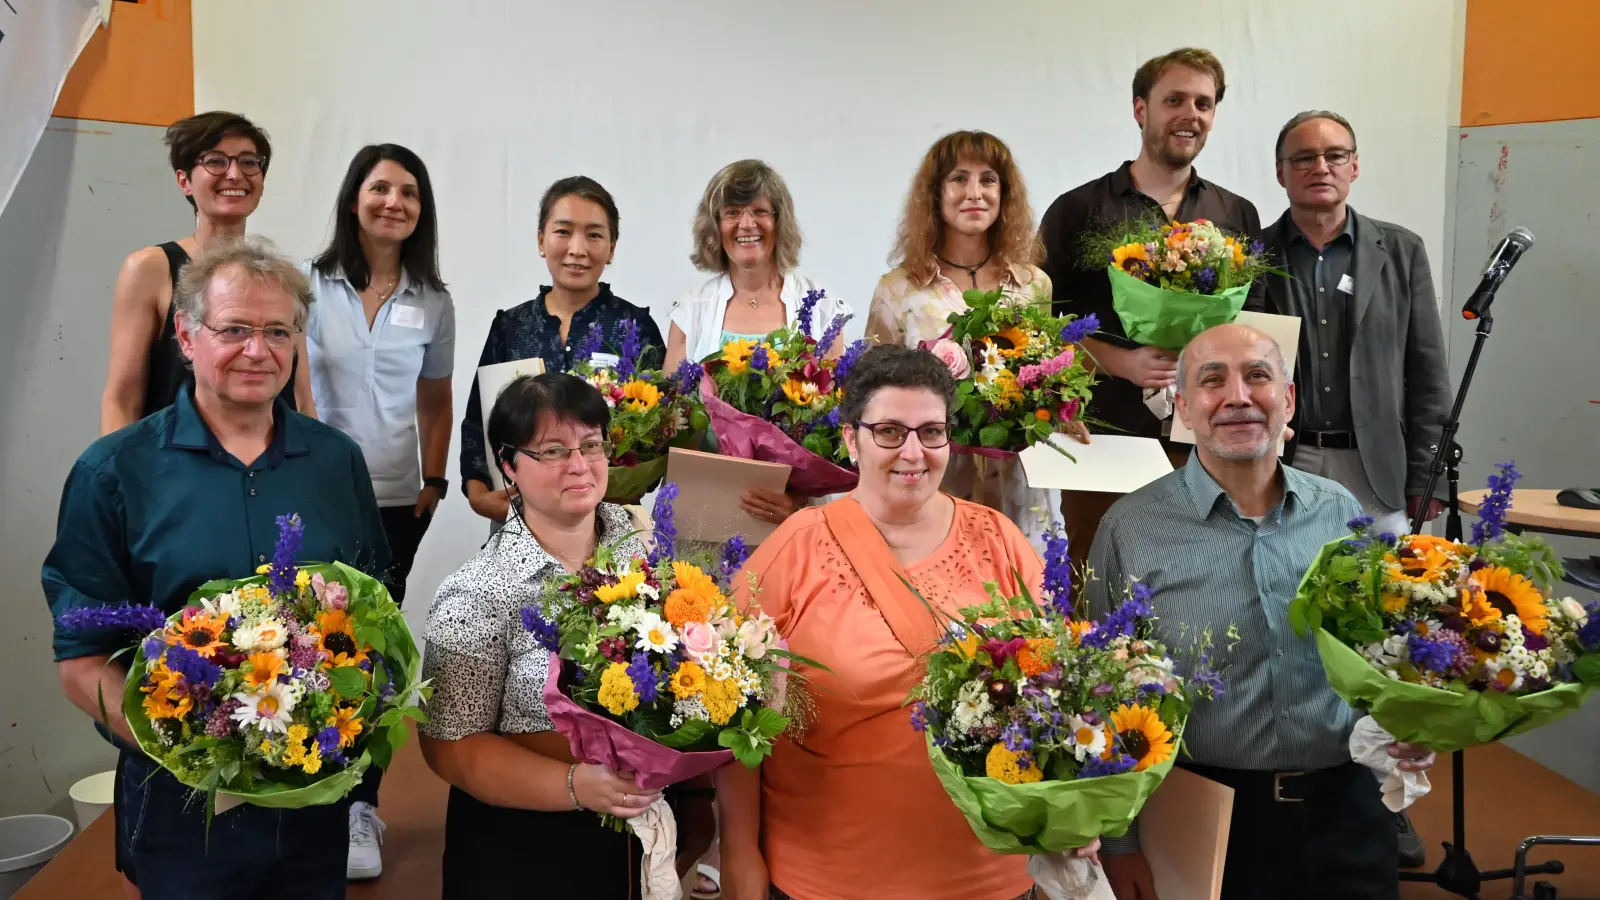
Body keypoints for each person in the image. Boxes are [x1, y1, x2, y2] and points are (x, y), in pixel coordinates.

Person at [43, 236, 391, 900]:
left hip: (312, 802)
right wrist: (195, 755)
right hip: (180, 807)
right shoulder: (114, 474)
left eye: (277, 331)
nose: (257, 351)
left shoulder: (336, 462)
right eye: (234, 329)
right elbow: (81, 662)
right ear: (185, 335)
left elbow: (373, 609)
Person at [715, 345, 1098, 900]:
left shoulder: (999, 541)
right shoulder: (795, 549)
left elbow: (1062, 690)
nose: (913, 452)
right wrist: (738, 859)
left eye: (931, 432)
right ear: (852, 439)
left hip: (994, 877)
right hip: (831, 876)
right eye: (890, 431)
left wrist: (1073, 804)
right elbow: (730, 721)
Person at [1084, 323, 1435, 900]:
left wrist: (1411, 725)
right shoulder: (1132, 528)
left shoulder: (1337, 512)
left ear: (1288, 399)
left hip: (1345, 814)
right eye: (1212, 381)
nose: (1238, 397)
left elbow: (1379, 654)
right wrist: (1119, 845)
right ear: (1184, 407)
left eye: (1258, 377)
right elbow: (1103, 693)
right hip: (1202, 819)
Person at [419, 372, 710, 899]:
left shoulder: (643, 544)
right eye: (552, 451)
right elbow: (450, 748)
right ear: (508, 465)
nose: (579, 465)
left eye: (591, 445)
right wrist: (576, 786)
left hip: (639, 824)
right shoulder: (476, 594)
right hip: (527, 844)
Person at [1250, 112, 1451, 866]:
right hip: (1287, 467)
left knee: (1382, 637)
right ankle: (1303, 783)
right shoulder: (1255, 255)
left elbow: (1426, 371)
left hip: (1376, 472)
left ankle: (1388, 794)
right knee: (1298, 628)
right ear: (1281, 173)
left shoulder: (1400, 250)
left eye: (1335, 155)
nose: (1320, 168)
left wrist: (1425, 482)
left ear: (1356, 167)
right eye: (1303, 158)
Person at [1039, 48, 1261, 571]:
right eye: (1174, 100)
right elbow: (1042, 328)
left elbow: (1255, 332)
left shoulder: (1236, 213)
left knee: (1204, 595)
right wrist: (1119, 362)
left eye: (1204, 103)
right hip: (1103, 439)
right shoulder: (1078, 210)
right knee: (1096, 585)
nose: (1191, 114)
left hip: (1206, 446)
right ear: (1141, 109)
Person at [303, 143, 457, 879]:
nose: (394, 202)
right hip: (318, 497)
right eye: (381, 188)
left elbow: (435, 399)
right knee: (315, 644)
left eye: (409, 193)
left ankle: (361, 802)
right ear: (354, 196)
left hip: (399, 499)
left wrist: (434, 479)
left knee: (377, 652)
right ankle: (305, 788)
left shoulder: (432, 299)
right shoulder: (309, 285)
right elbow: (294, 392)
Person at [866, 129, 1068, 553]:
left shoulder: (1034, 284)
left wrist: (1063, 408)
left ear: (1005, 193)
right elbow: (872, 393)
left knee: (1025, 597)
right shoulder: (899, 289)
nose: (974, 192)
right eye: (959, 178)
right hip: (933, 481)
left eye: (988, 179)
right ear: (935, 194)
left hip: (1021, 484)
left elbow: (1045, 376)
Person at [458, 176, 663, 525]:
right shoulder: (511, 326)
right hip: (517, 517)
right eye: (563, 231)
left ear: (612, 247)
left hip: (608, 519)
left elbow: (660, 432)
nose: (578, 249)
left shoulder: (635, 327)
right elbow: (478, 424)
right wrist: (480, 497)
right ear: (541, 240)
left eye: (594, 234)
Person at [664, 159, 850, 528]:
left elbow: (840, 416)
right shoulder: (690, 311)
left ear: (780, 222)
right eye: (732, 212)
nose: (747, 224)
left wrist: (795, 499)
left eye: (760, 212)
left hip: (796, 513)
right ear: (716, 226)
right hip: (707, 506)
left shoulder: (822, 307)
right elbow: (673, 421)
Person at [101, 111, 312, 435]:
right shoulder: (151, 269)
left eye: (248, 162)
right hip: (174, 472)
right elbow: (122, 398)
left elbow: (300, 397)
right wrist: (119, 480)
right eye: (215, 161)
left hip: (270, 472)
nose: (234, 174)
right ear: (184, 180)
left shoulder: (280, 278)